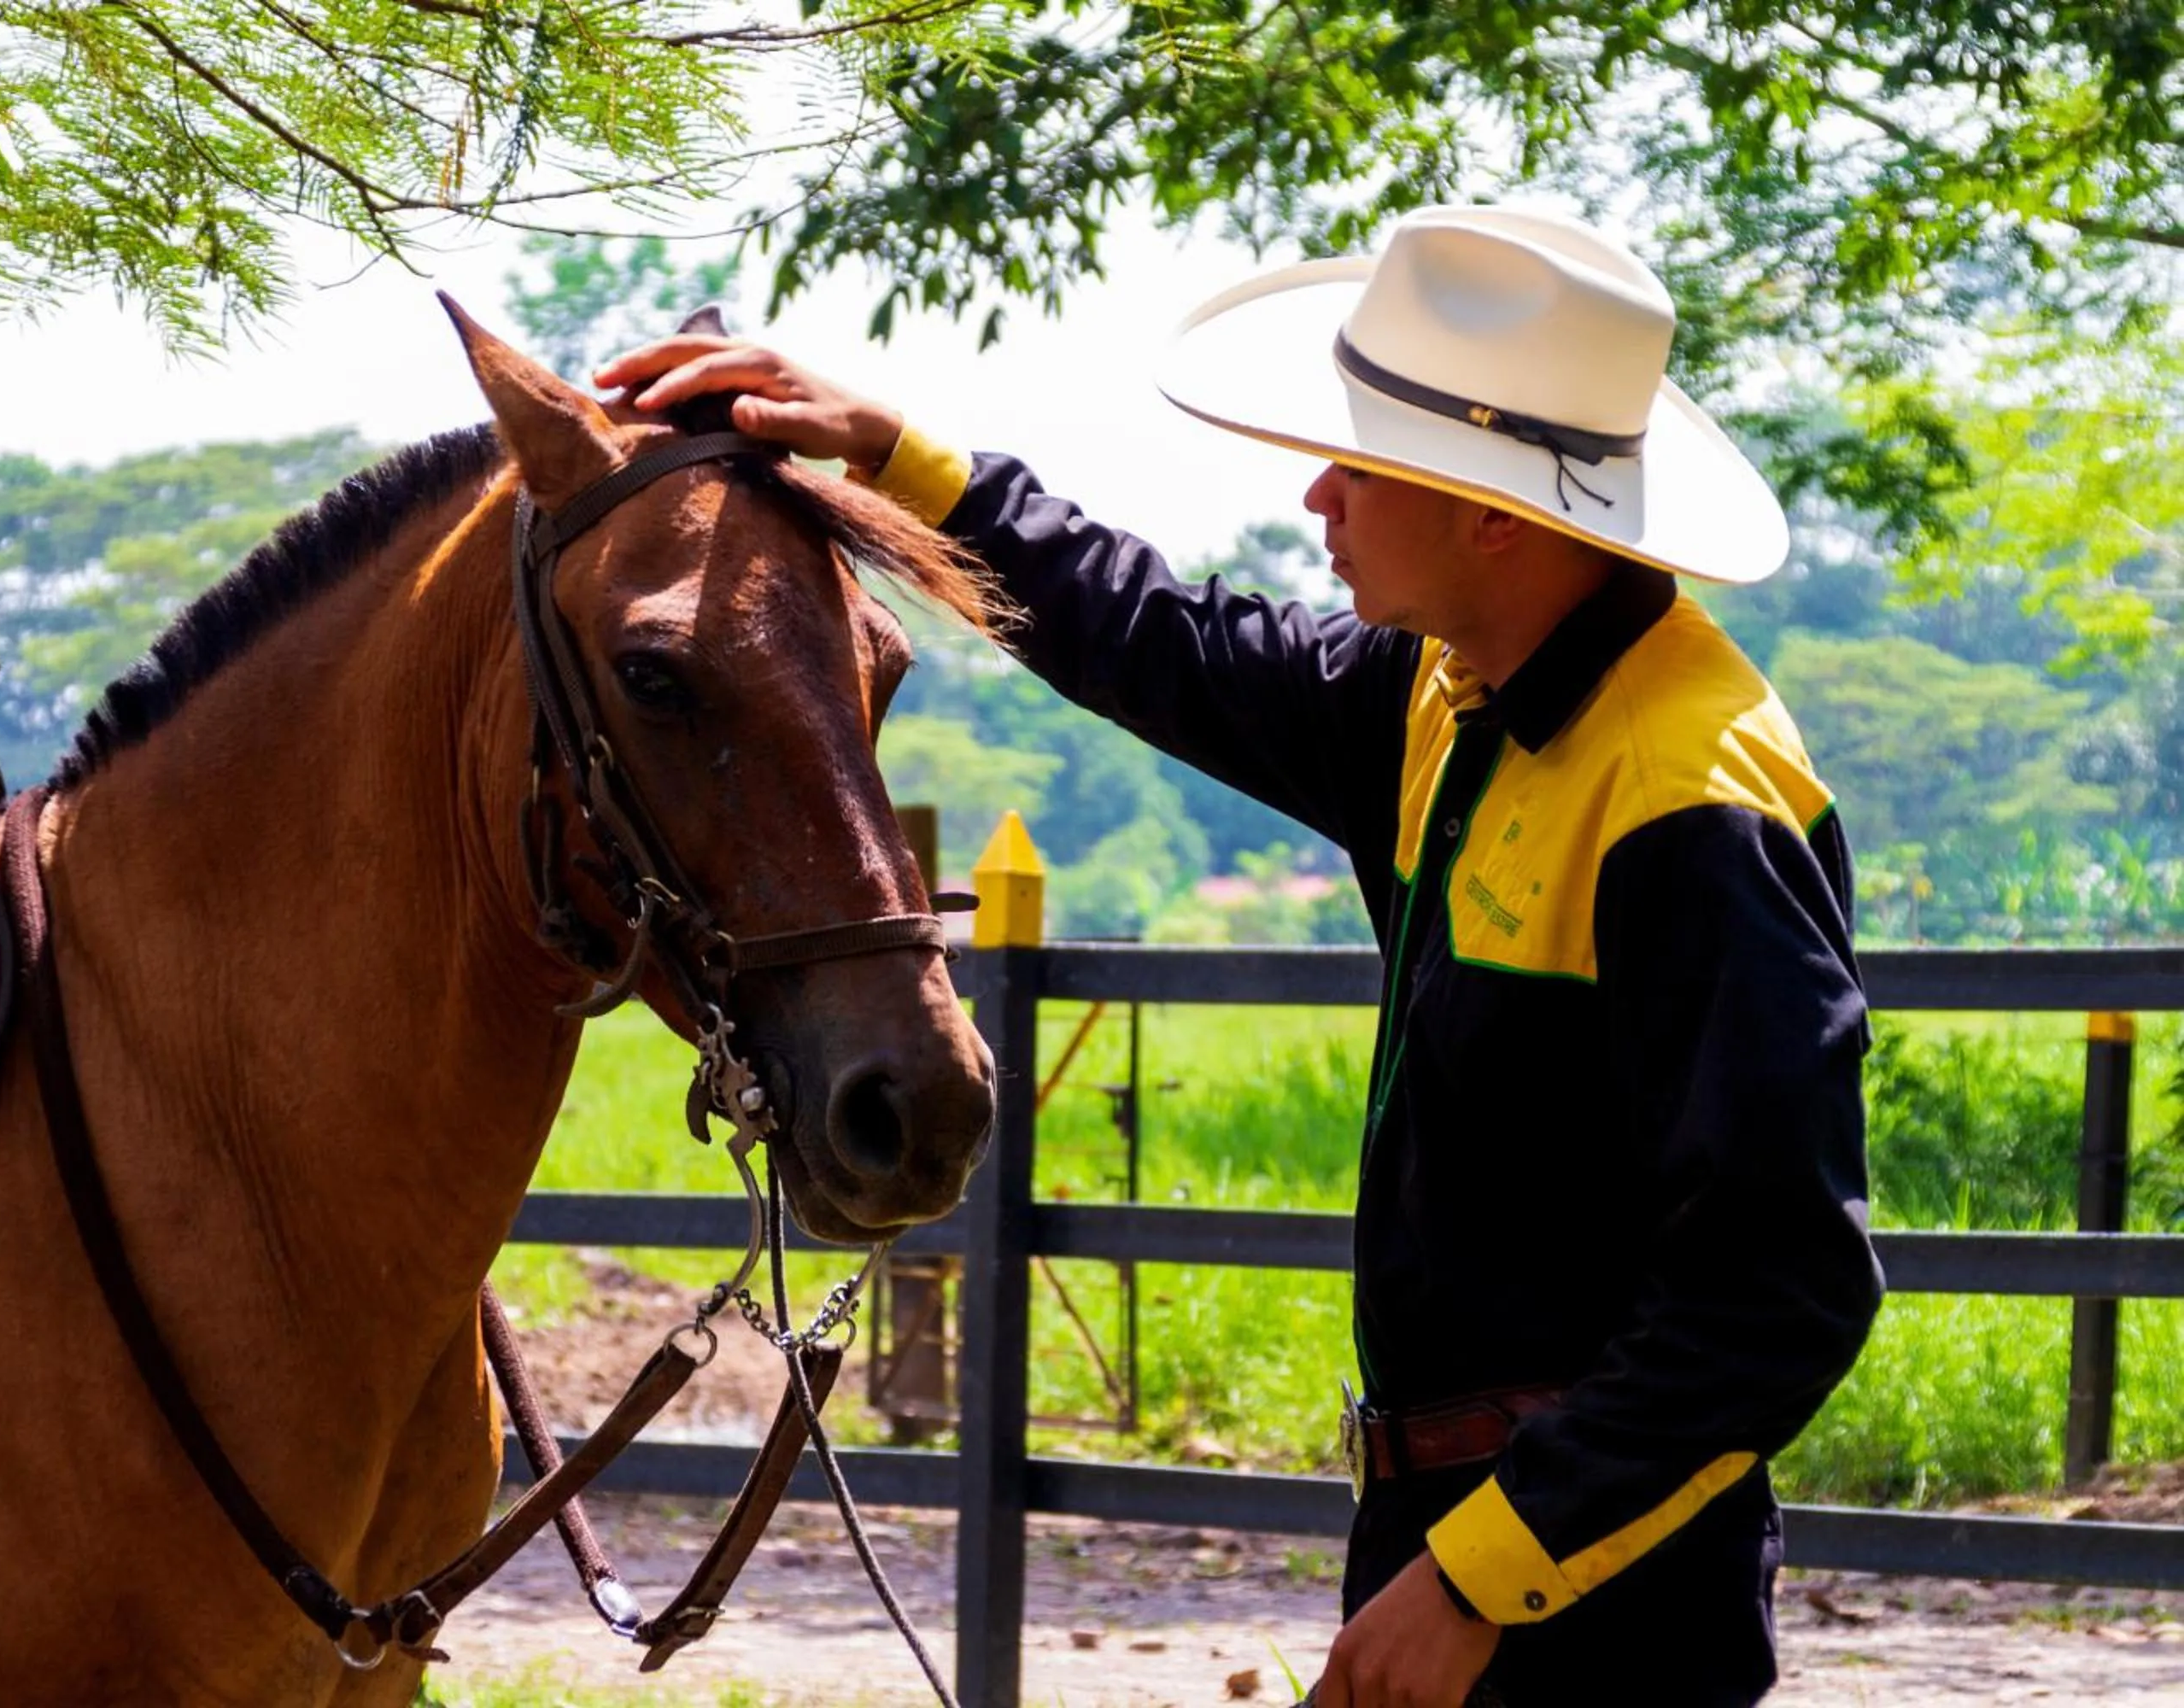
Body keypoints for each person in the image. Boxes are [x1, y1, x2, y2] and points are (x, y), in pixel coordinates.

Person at [597, 204, 1885, 1708]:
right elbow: (1156, 636)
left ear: (1489, 510)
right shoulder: (1444, 696)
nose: (1320, 493)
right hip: (1469, 1541)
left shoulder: (1693, 803)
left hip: (1597, 1592)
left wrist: (1483, 1575)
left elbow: (1780, 1288)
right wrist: (898, 455)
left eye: (1366, 459)